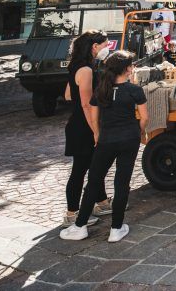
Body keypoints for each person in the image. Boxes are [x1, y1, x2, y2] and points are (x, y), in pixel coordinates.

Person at [60, 51, 147, 242]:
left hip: (107, 139)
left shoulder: (101, 89)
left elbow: (93, 116)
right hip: (129, 138)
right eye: (132, 65)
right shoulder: (134, 90)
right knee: (121, 182)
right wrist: (138, 131)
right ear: (127, 69)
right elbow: (145, 117)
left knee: (94, 180)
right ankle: (116, 228)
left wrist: (97, 133)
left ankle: (80, 224)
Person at [63, 31, 113, 226]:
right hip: (83, 126)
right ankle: (71, 213)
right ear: (94, 47)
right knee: (80, 170)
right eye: (105, 45)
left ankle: (101, 202)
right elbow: (86, 104)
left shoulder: (78, 66)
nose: (107, 49)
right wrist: (95, 130)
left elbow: (68, 95)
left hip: (80, 122)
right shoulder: (85, 70)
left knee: (95, 166)